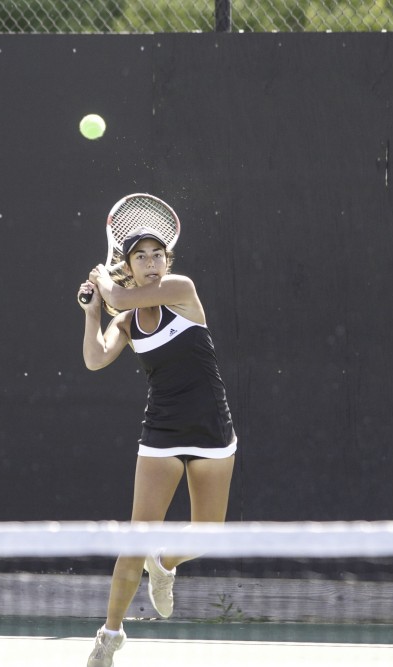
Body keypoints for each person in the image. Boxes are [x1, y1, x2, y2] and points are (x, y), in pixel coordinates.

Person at [77, 226, 237, 667]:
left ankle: (164, 562)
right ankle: (110, 636)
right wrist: (94, 313)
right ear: (128, 265)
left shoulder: (182, 291)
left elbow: (122, 296)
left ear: (168, 262)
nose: (150, 262)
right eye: (141, 257)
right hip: (162, 434)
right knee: (134, 539)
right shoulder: (125, 320)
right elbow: (95, 358)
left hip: (211, 430)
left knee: (209, 534)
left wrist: (107, 286)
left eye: (157, 255)